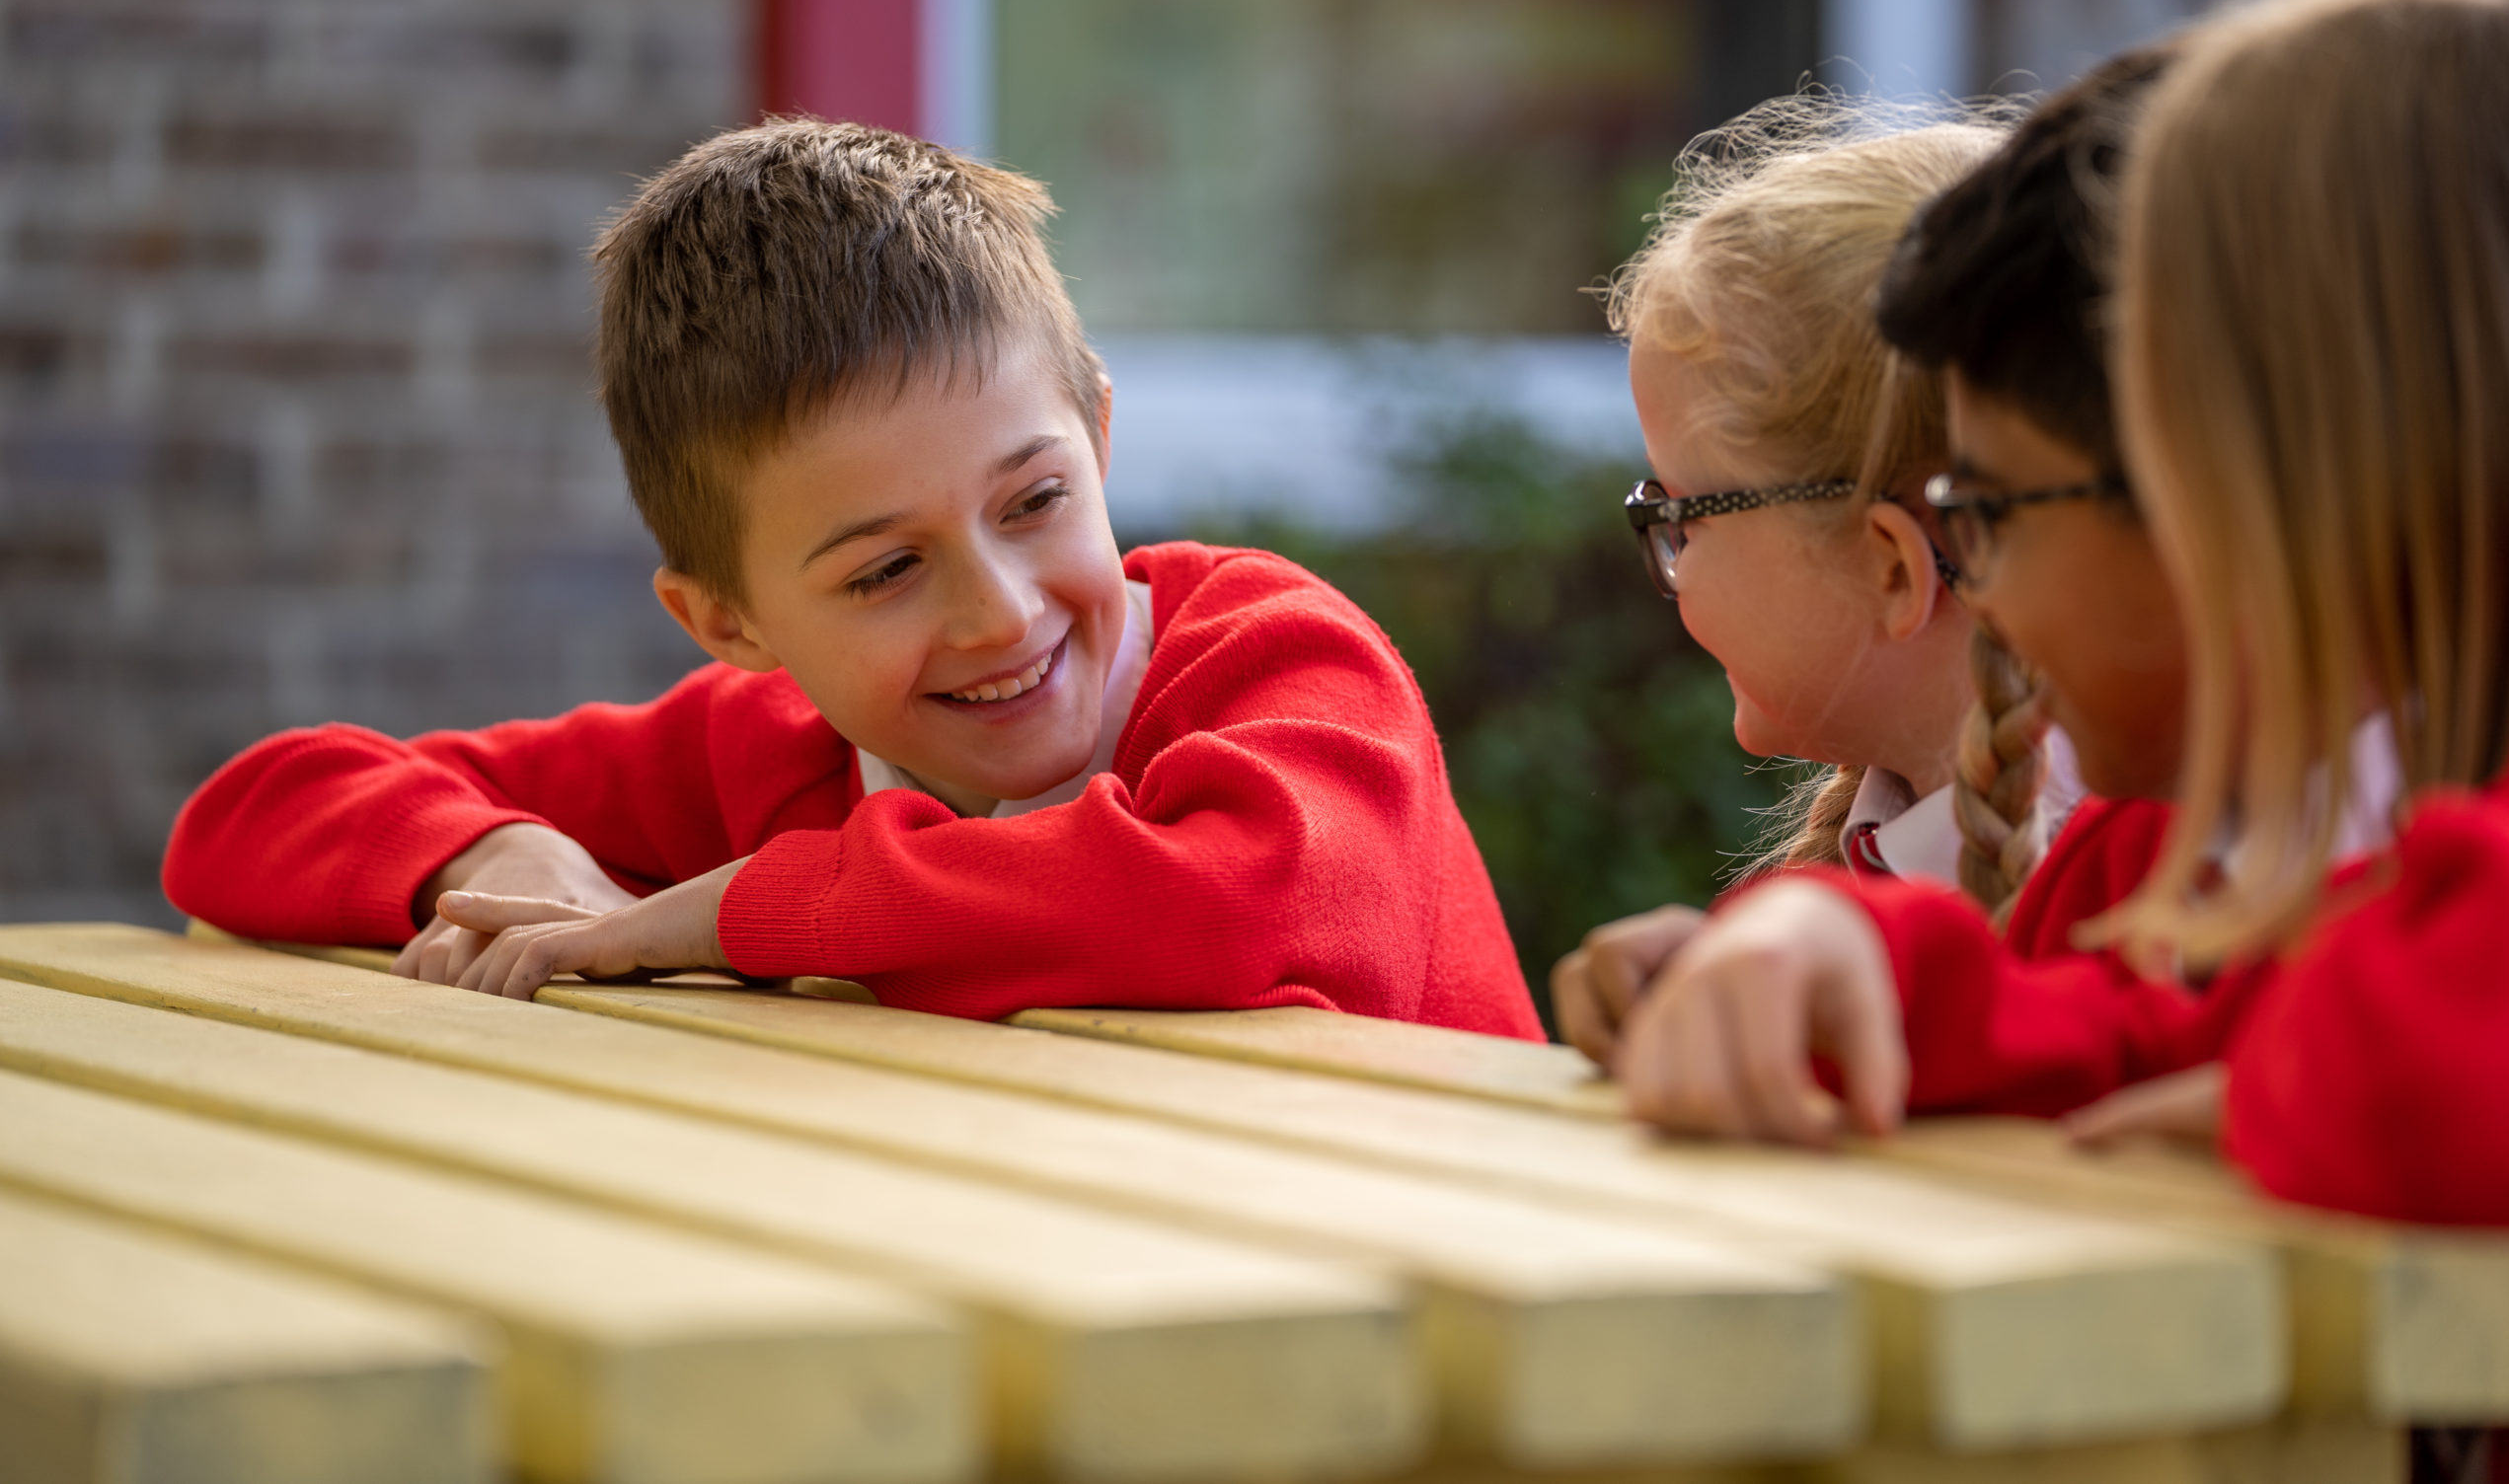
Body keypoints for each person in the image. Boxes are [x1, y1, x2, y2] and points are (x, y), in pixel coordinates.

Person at [162, 119, 1543, 1037]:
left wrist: (738, 909)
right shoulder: (770, 751)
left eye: (1037, 499)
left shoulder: (1278, 663)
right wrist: (492, 850)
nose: (999, 607)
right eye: (885, 568)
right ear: (731, 622)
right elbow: (251, 811)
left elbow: (1238, 904)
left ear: (1101, 434)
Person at [1608, 0, 2509, 1231]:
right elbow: (2126, 1034)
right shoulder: (2211, 832)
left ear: (2261, 493)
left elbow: (2446, 1071)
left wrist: (2267, 1085)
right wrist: (1842, 963)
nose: (1982, 592)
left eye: (1991, 514)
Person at [1551, 103, 2081, 1062]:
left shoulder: (2135, 902)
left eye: (1677, 515)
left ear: (1890, 566)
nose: (1666, 562)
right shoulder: (1799, 910)